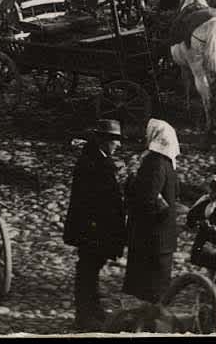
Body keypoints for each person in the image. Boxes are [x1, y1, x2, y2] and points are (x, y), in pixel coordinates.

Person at [63, 119, 127, 327]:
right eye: (114, 140)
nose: (118, 144)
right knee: (87, 269)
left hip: (94, 227)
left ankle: (93, 309)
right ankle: (84, 316)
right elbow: (96, 199)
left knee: (92, 268)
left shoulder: (96, 158)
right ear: (103, 140)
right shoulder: (94, 162)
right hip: (92, 228)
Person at [122, 118, 180, 303]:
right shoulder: (168, 163)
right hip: (162, 236)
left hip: (151, 236)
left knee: (149, 288)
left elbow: (147, 197)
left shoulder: (154, 162)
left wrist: (131, 182)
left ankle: (149, 317)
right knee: (157, 286)